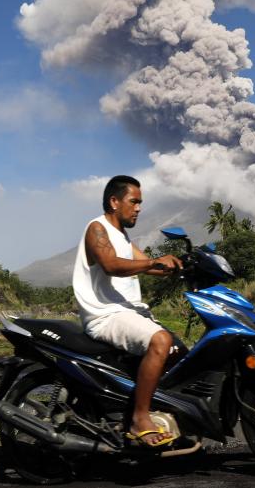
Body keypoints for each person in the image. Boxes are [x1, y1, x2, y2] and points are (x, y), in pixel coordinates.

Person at [72, 175, 183, 448]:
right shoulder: (97, 229)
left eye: (140, 203)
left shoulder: (122, 235)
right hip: (106, 315)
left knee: (180, 352)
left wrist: (180, 266)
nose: (138, 208)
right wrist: (153, 263)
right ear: (114, 201)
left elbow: (145, 264)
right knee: (161, 341)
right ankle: (139, 418)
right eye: (134, 202)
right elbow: (111, 264)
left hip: (129, 313)